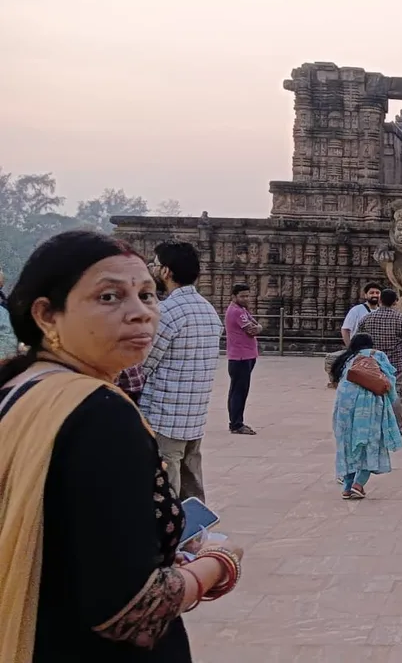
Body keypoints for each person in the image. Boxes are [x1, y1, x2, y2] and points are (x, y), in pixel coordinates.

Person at [0, 230, 244, 663]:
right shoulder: (102, 414)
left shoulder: (21, 387)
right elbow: (131, 610)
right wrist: (219, 565)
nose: (141, 314)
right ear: (47, 315)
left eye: (148, 295)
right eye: (109, 297)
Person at [139, 241, 223, 501]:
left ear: (165, 271)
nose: (152, 269)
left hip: (165, 416)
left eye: (154, 264)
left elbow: (143, 363)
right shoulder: (208, 311)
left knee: (167, 487)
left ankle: (173, 539)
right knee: (191, 483)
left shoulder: (167, 312)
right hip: (193, 415)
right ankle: (197, 535)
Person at [328, 333, 402, 499]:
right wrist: (393, 401)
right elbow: (389, 381)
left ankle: (347, 487)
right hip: (369, 407)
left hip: (345, 407)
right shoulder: (377, 355)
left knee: (348, 445)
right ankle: (358, 484)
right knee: (370, 443)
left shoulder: (347, 359)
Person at [356, 288, 402, 439]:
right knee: (396, 396)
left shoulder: (367, 319)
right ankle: (399, 429)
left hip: (373, 364)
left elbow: (358, 339)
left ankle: (372, 427)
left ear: (380, 301)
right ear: (396, 301)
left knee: (372, 395)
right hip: (396, 364)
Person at [224, 283, 261, 435]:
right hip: (240, 356)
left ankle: (235, 421)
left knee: (237, 390)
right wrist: (257, 328)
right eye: (242, 296)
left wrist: (258, 328)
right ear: (234, 296)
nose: (246, 298)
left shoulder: (242, 310)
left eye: (247, 295)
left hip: (246, 355)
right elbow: (252, 330)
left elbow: (257, 325)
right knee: (239, 390)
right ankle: (236, 424)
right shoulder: (236, 312)